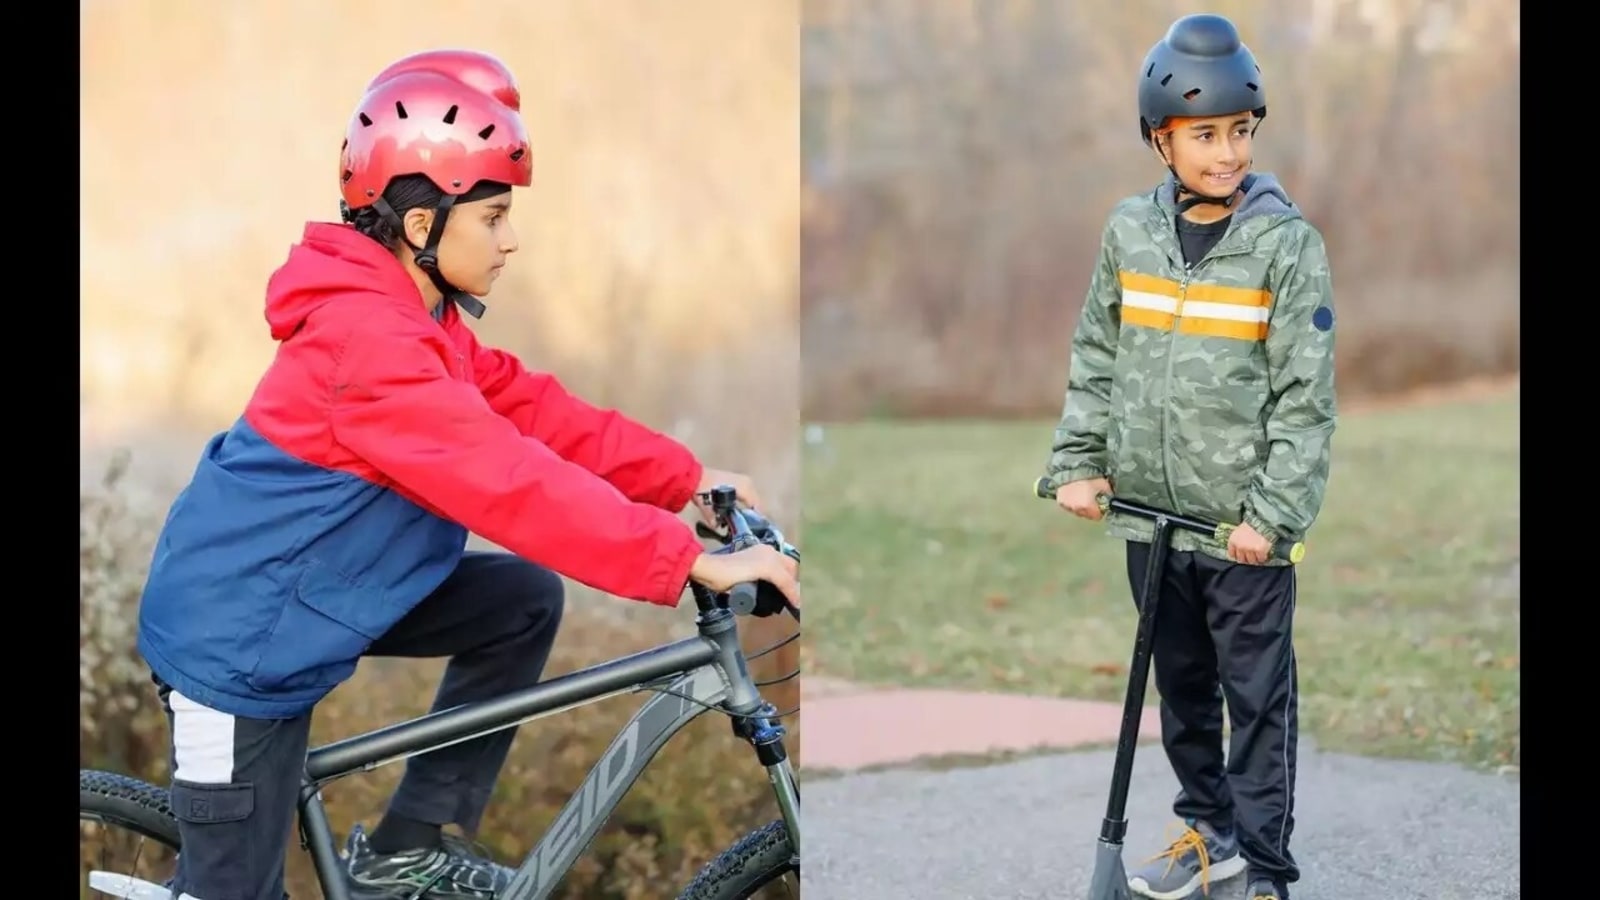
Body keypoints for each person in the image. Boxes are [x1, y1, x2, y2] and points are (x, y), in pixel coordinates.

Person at [134, 48, 800, 900]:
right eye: (491, 217)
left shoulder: (417, 320)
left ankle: (412, 840)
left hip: (314, 594)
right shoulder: (369, 344)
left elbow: (527, 409)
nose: (510, 239)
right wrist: (683, 559)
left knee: (518, 602)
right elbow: (507, 479)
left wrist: (681, 478)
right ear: (420, 228)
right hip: (238, 641)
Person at [1042, 14, 1336, 900]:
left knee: (1256, 702)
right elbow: (1096, 356)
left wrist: (1271, 518)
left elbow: (1306, 400)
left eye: (1241, 131)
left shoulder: (1285, 247)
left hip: (1242, 531)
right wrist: (1077, 464)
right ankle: (1209, 833)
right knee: (1181, 689)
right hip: (1152, 519)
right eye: (1206, 134)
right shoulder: (1129, 234)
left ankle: (1266, 868)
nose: (1229, 151)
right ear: (1160, 140)